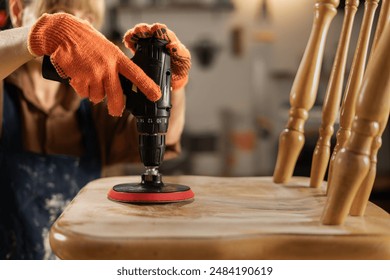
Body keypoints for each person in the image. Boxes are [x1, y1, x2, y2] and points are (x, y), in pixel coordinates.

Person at [0, 0, 191, 259]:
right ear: (17, 11)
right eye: (60, 10)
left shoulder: (97, 105)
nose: (79, 22)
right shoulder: (5, 96)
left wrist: (169, 86)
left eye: (87, 17)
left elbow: (164, 136)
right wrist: (45, 33)